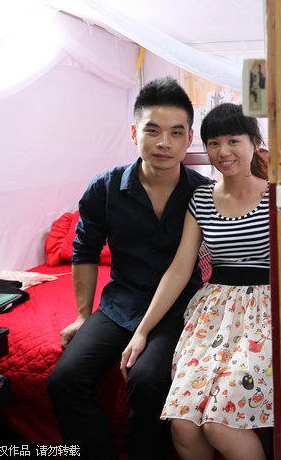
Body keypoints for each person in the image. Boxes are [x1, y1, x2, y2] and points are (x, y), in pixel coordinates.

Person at [47, 77, 211, 459]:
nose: (163, 143)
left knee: (149, 378)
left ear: (189, 139)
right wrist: (83, 315)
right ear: (135, 133)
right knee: (64, 379)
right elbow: (84, 250)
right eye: (152, 131)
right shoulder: (104, 189)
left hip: (178, 309)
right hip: (120, 303)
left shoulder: (203, 193)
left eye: (175, 133)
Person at [121, 103, 273, 460]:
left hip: (264, 311)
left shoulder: (276, 195)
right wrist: (142, 331)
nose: (223, 152)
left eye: (233, 141)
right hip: (213, 314)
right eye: (213, 143)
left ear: (254, 143)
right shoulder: (201, 198)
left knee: (220, 423)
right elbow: (179, 269)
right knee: (183, 423)